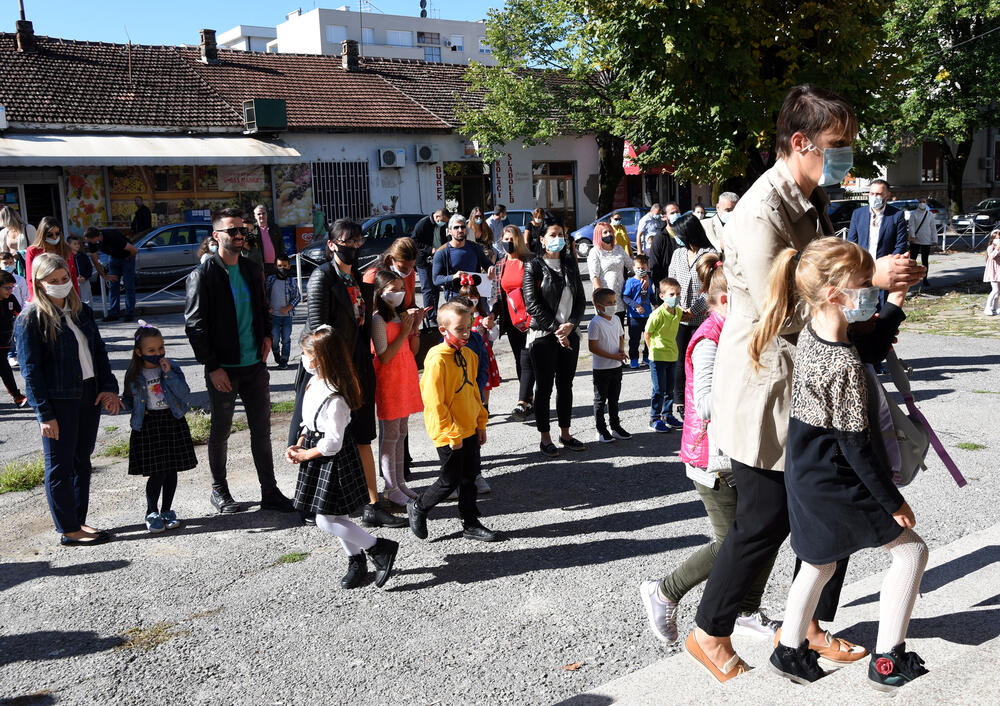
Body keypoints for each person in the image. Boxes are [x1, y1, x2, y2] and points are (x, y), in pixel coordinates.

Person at [687, 85, 924, 683]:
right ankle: (710, 630)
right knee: (763, 519)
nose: (845, 157)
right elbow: (787, 305)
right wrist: (868, 275)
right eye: (836, 146)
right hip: (768, 385)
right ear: (800, 143)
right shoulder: (762, 210)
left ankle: (809, 628)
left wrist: (879, 299)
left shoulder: (810, 197)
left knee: (826, 512)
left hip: (807, 377)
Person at [752, 238, 928, 691]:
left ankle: (789, 650)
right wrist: (893, 503)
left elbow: (866, 346)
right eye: (865, 285)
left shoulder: (816, 329)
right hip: (836, 478)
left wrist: (895, 300)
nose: (871, 290)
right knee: (911, 552)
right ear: (835, 293)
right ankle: (889, 661)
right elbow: (857, 447)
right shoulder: (843, 361)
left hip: (807, 471)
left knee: (819, 562)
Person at [639, 254, 778, 645]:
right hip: (713, 461)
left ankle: (748, 612)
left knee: (763, 533)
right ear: (722, 302)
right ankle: (664, 591)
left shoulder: (737, 332)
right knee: (732, 542)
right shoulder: (709, 341)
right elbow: (704, 403)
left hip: (745, 455)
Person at [289, 218, 406, 529]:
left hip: (359, 367)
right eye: (346, 241)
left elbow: (363, 324)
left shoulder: (356, 278)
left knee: (364, 436)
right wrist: (335, 376)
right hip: (333, 371)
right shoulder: (321, 278)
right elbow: (318, 334)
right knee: (327, 437)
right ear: (331, 244)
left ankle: (372, 505)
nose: (353, 246)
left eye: (357, 241)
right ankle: (313, 503)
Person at [184, 207, 296, 515]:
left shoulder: (250, 268)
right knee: (220, 431)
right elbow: (195, 326)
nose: (238, 236)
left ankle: (270, 491)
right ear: (216, 235)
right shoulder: (203, 275)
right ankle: (219, 490)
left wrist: (269, 337)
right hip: (223, 370)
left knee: (261, 430)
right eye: (231, 231)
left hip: (254, 366)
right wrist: (212, 366)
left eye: (241, 231)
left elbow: (262, 307)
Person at [16, 253, 121, 546]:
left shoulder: (81, 311)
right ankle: (68, 529)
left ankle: (78, 520)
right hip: (59, 401)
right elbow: (31, 372)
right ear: (38, 283)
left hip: (90, 394)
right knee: (60, 465)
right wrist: (44, 414)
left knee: (81, 461)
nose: (61, 285)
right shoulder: (30, 319)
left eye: (64, 279)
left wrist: (109, 387)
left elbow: (99, 352)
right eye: (53, 281)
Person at [288, 327, 400, 589]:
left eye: (306, 354)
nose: (303, 359)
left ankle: (379, 548)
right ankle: (356, 560)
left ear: (323, 358)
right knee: (339, 517)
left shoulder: (336, 396)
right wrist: (299, 444)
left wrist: (308, 453)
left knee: (325, 519)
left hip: (333, 458)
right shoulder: (312, 383)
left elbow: (333, 442)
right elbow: (308, 421)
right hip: (316, 453)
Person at [405, 301, 499, 543]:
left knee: (470, 478)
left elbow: (475, 393)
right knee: (449, 480)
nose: (466, 333)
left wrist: (481, 423)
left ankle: (470, 523)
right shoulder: (437, 359)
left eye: (468, 327)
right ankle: (419, 506)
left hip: (469, 428)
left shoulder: (469, 354)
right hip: (449, 433)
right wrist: (451, 434)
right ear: (443, 330)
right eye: (460, 329)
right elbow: (435, 402)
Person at [122, 321, 197, 533]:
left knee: (171, 470)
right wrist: (117, 404)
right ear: (139, 352)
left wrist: (168, 373)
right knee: (157, 472)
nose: (157, 353)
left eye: (161, 348)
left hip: (172, 421)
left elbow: (184, 393)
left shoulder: (172, 368)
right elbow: (129, 400)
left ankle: (167, 510)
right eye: (151, 350)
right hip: (148, 425)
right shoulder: (134, 374)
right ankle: (151, 511)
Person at [523, 224, 586, 457]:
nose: (558, 238)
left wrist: (571, 324)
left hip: (570, 334)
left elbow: (580, 300)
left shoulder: (570, 264)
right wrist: (556, 328)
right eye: (553, 235)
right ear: (542, 240)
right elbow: (532, 303)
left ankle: (565, 434)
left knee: (565, 386)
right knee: (544, 388)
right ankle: (545, 437)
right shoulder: (534, 266)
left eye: (561, 235)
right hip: (543, 336)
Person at [370, 270, 423, 506]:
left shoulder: (401, 315)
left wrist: (415, 328)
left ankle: (400, 483)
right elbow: (384, 355)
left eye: (401, 289)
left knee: (401, 432)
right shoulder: (377, 319)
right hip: (389, 379)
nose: (398, 294)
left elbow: (413, 349)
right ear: (380, 293)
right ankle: (390, 487)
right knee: (390, 434)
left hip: (405, 375)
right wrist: (404, 331)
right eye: (392, 290)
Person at [667, 214, 717, 425]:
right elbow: (670, 281)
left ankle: (701, 401)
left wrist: (694, 310)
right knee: (679, 360)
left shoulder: (710, 254)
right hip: (679, 317)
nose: (676, 238)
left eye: (679, 234)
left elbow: (712, 288)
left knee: (701, 361)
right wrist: (677, 307)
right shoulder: (678, 254)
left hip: (701, 317)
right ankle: (679, 401)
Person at [497, 225, 535, 422]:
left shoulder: (530, 261)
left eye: (512, 239)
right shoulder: (500, 264)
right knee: (519, 359)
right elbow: (499, 294)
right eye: (505, 238)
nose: (508, 242)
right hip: (512, 321)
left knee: (527, 359)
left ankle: (522, 402)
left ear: (519, 240)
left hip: (530, 319)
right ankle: (529, 399)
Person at [588, 287, 630, 444]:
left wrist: (621, 351)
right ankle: (601, 429)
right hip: (601, 369)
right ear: (598, 306)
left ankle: (615, 427)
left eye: (614, 302)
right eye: (609, 303)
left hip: (616, 367)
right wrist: (613, 356)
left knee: (614, 399)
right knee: (600, 400)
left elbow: (620, 336)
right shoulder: (595, 323)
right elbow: (593, 347)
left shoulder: (616, 319)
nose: (613, 305)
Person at [644, 278, 683, 433]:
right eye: (672, 294)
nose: (675, 297)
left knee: (669, 389)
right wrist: (652, 350)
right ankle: (654, 418)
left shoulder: (678, 312)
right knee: (659, 389)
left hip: (672, 355)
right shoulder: (657, 314)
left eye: (678, 294)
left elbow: (683, 315)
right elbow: (647, 334)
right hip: (658, 356)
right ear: (662, 296)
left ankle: (667, 415)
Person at [432, 214, 495, 302]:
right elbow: (436, 279)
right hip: (454, 297)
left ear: (466, 230)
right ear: (449, 231)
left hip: (475, 295)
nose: (460, 230)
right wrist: (453, 277)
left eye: (463, 227)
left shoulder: (475, 247)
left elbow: (487, 264)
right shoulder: (441, 252)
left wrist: (491, 268)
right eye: (456, 227)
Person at [84, 224, 139, 322]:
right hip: (113, 258)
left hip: (127, 257)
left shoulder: (113, 236)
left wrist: (129, 259)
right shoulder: (92, 242)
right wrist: (104, 276)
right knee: (113, 285)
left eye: (90, 241)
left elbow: (134, 250)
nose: (89, 243)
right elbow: (95, 260)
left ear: (96, 237)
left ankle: (129, 313)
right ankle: (114, 313)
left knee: (128, 285)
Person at [848, 179, 909, 262]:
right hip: (863, 265)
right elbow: (852, 242)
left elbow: (901, 245)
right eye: (872, 193)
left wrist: (889, 262)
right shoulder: (858, 214)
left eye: (878, 194)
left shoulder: (897, 215)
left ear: (887, 195)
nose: (874, 197)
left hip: (886, 265)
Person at [587, 221, 631, 329]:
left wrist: (643, 272)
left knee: (619, 329)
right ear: (599, 235)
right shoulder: (595, 252)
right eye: (605, 232)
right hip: (605, 296)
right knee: (606, 330)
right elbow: (594, 275)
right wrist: (600, 294)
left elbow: (631, 265)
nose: (609, 234)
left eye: (610, 231)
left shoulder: (619, 249)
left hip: (619, 295)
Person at [412, 208, 449, 326]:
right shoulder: (423, 223)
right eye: (442, 221)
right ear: (437, 217)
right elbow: (414, 240)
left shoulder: (442, 225)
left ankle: (434, 314)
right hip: (423, 261)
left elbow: (442, 238)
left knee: (436, 287)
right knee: (427, 289)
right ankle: (429, 316)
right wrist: (429, 249)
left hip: (437, 259)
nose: (443, 223)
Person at [26, 218, 78, 302]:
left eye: (57, 233)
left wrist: (76, 297)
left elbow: (72, 275)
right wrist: (35, 299)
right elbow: (31, 279)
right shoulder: (32, 251)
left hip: (66, 294)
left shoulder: (66, 249)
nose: (54, 237)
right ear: (42, 234)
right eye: (50, 234)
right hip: (45, 295)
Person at [265, 254, 301, 368]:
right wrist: (267, 306)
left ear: (289, 266)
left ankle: (284, 360)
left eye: (285, 265)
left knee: (286, 338)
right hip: (273, 316)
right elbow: (265, 294)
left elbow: (297, 296)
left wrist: (289, 307)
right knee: (274, 338)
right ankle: (276, 353)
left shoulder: (291, 281)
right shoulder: (270, 279)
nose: (282, 268)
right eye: (280, 265)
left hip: (287, 316)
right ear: (275, 266)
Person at [363, 237, 419, 308]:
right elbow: (366, 309)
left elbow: (411, 304)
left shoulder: (410, 272)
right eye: (402, 268)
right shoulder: (372, 276)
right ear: (391, 259)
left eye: (411, 267)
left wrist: (416, 312)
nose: (407, 272)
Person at [0, 271, 27, 406]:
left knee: (3, 368)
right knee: (5, 368)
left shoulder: (11, 299)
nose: (10, 290)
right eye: (7, 287)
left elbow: (20, 316)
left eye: (12, 287)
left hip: (5, 341)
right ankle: (17, 396)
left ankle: (17, 396)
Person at [622, 254, 652, 368]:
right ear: (634, 268)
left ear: (647, 268)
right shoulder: (630, 282)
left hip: (647, 314)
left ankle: (646, 357)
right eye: (638, 268)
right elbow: (625, 296)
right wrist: (636, 306)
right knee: (634, 339)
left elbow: (651, 294)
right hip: (634, 316)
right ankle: (634, 359)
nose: (641, 270)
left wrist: (656, 304)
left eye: (643, 268)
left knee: (648, 337)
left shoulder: (649, 281)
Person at [1, 250, 28, 368]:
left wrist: (23, 312)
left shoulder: (20, 280)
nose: (9, 265)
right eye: (5, 263)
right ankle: (11, 355)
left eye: (11, 262)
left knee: (17, 334)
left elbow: (25, 297)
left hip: (15, 311)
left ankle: (19, 354)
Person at [246, 204, 287, 276]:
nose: (261, 216)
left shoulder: (274, 227)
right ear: (255, 216)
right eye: (259, 214)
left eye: (263, 213)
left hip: (276, 263)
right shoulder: (253, 229)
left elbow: (281, 244)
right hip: (261, 265)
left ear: (267, 214)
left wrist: (282, 259)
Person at [907, 197, 936, 285]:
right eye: (920, 202)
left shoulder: (930, 215)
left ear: (926, 203)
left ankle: (925, 279)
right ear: (918, 203)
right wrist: (913, 236)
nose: (922, 203)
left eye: (924, 202)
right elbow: (911, 226)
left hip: (926, 240)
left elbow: (933, 228)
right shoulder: (914, 214)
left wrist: (934, 239)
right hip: (915, 240)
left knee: (925, 260)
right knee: (912, 260)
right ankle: (910, 277)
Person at [0, 205, 35, 275]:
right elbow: (2, 252)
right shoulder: (3, 232)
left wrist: (20, 254)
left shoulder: (28, 228)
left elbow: (36, 248)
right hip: (10, 269)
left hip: (28, 266)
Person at [66, 235, 94, 306]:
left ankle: (88, 315)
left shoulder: (83, 256)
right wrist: (74, 278)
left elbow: (89, 268)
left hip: (84, 281)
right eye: (75, 244)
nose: (77, 245)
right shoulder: (66, 257)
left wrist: (85, 277)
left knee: (86, 301)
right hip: (71, 282)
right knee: (74, 301)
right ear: (68, 244)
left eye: (78, 243)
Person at [984, 229, 1000, 316]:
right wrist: (997, 248)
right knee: (995, 290)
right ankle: (987, 307)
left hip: (999, 271)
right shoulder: (990, 247)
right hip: (993, 271)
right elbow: (992, 256)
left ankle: (996, 307)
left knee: (998, 292)